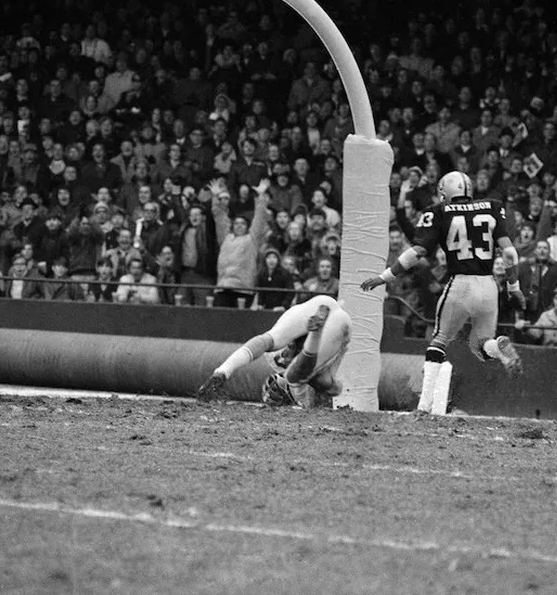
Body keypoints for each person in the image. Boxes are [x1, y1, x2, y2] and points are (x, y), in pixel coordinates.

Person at [361, 171, 526, 416]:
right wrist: (514, 287)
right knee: (480, 347)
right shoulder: (492, 207)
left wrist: (384, 277)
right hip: (489, 286)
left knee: (438, 342)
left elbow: (417, 252)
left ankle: (424, 406)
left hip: (460, 284)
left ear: (445, 192)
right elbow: (510, 254)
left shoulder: (438, 212)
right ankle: (498, 347)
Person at [195, 295, 351, 409]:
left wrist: (222, 372)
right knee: (319, 382)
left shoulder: (280, 361)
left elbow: (263, 342)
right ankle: (314, 335)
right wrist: (221, 373)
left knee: (318, 381)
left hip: (328, 323)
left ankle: (315, 334)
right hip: (325, 311)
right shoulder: (281, 358)